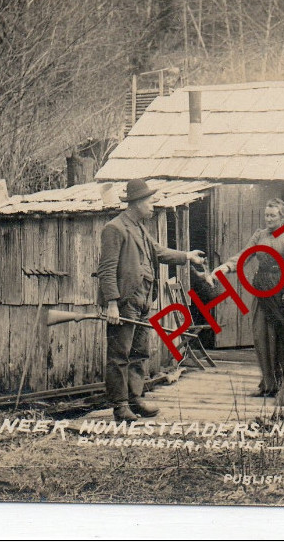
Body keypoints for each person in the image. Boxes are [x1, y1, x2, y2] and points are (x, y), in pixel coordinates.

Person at [98, 178, 205, 422]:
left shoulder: (141, 228)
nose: (152, 206)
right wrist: (112, 303)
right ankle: (120, 406)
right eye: (149, 201)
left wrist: (187, 256)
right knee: (119, 355)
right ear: (136, 203)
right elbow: (106, 269)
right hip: (125, 302)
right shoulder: (115, 228)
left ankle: (135, 399)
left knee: (140, 352)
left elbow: (158, 252)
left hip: (144, 301)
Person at [211, 198, 284, 399]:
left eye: (272, 215)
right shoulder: (259, 235)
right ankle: (270, 384)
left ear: (282, 216)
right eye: (266, 215)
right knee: (262, 337)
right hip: (262, 291)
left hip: (282, 294)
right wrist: (225, 267)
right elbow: (244, 256)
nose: (268, 219)